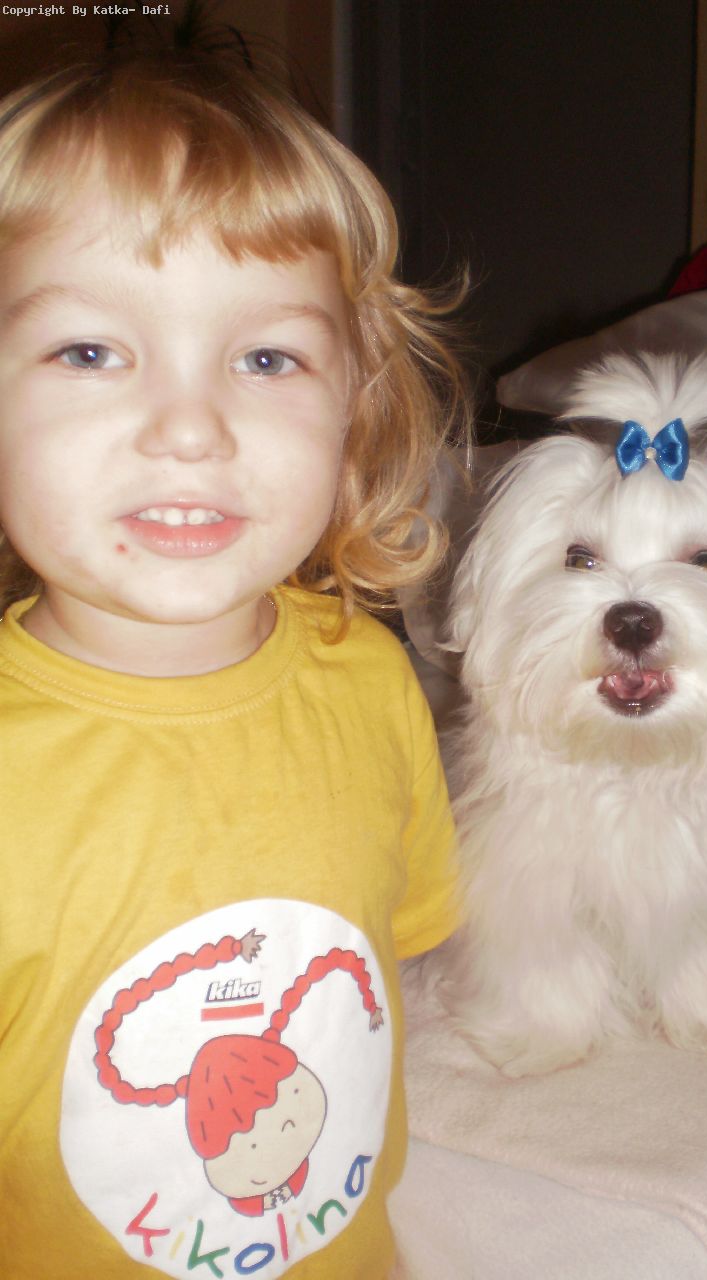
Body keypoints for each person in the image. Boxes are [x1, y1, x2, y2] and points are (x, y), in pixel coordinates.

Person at [0, 47, 468, 1280]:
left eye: (267, 359)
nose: (192, 428)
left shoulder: (371, 679)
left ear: (356, 409)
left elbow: (369, 976)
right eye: (90, 351)